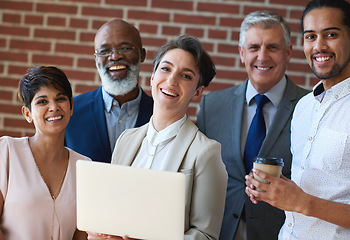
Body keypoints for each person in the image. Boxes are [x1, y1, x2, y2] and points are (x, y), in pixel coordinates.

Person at [88, 34, 228, 240]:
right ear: (153, 77)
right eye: (166, 68)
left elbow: (206, 235)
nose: (171, 80)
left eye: (186, 76)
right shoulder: (126, 140)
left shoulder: (206, 152)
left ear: (197, 92)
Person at [196, 11, 309, 240]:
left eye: (273, 48)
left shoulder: (309, 108)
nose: (262, 56)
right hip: (218, 232)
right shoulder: (212, 106)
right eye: (254, 47)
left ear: (288, 52)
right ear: (241, 53)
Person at [245, 0, 350, 239]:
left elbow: (304, 202)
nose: (319, 46)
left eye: (331, 34)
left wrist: (303, 203)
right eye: (310, 36)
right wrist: (275, 188)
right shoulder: (303, 107)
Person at [0, 66, 91, 240]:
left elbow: (81, 236)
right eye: (42, 101)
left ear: (71, 107)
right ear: (28, 113)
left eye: (61, 99)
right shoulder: (6, 152)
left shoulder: (85, 167)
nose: (53, 107)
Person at [65, 19, 153, 163]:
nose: (115, 56)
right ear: (96, 59)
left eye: (125, 48)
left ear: (142, 55)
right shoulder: (71, 112)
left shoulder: (160, 116)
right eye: (104, 51)